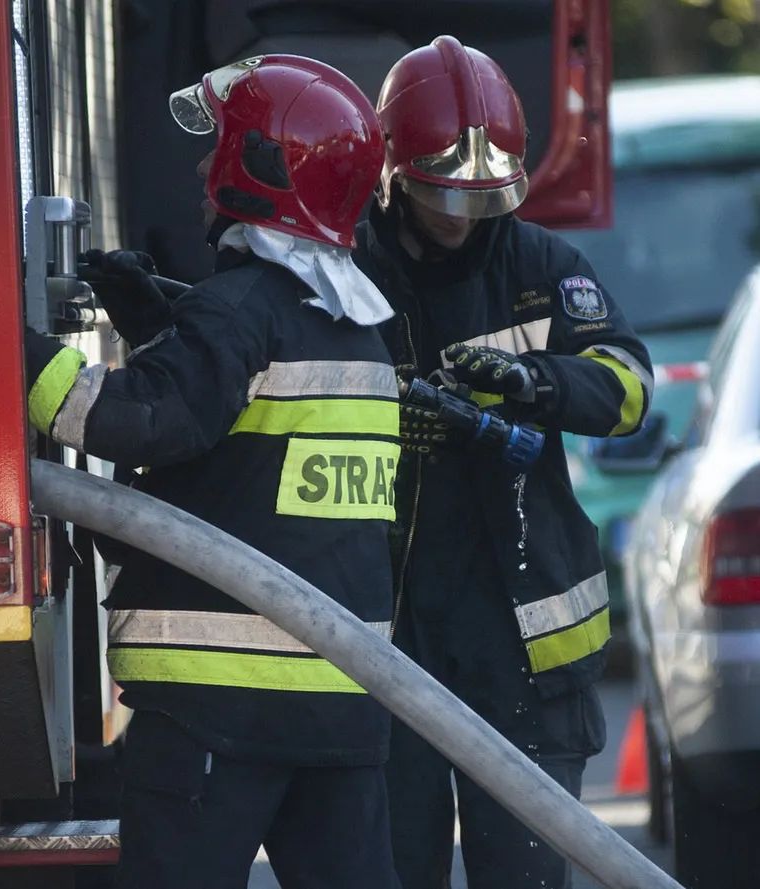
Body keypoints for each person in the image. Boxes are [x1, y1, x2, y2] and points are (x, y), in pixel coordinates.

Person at [25, 54, 402, 889]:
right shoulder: (357, 332)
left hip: (216, 708)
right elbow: (251, 443)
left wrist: (16, 354)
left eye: (221, 147)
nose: (202, 167)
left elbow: (139, 419)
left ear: (260, 169)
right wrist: (167, 323)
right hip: (343, 709)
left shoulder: (236, 315)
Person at [350, 35, 654, 889]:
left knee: (522, 872)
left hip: (526, 651)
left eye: (480, 197)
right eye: (442, 193)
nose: (460, 215)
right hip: (392, 639)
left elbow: (627, 384)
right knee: (394, 871)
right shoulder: (347, 276)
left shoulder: (542, 267)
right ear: (395, 170)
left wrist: (535, 381)